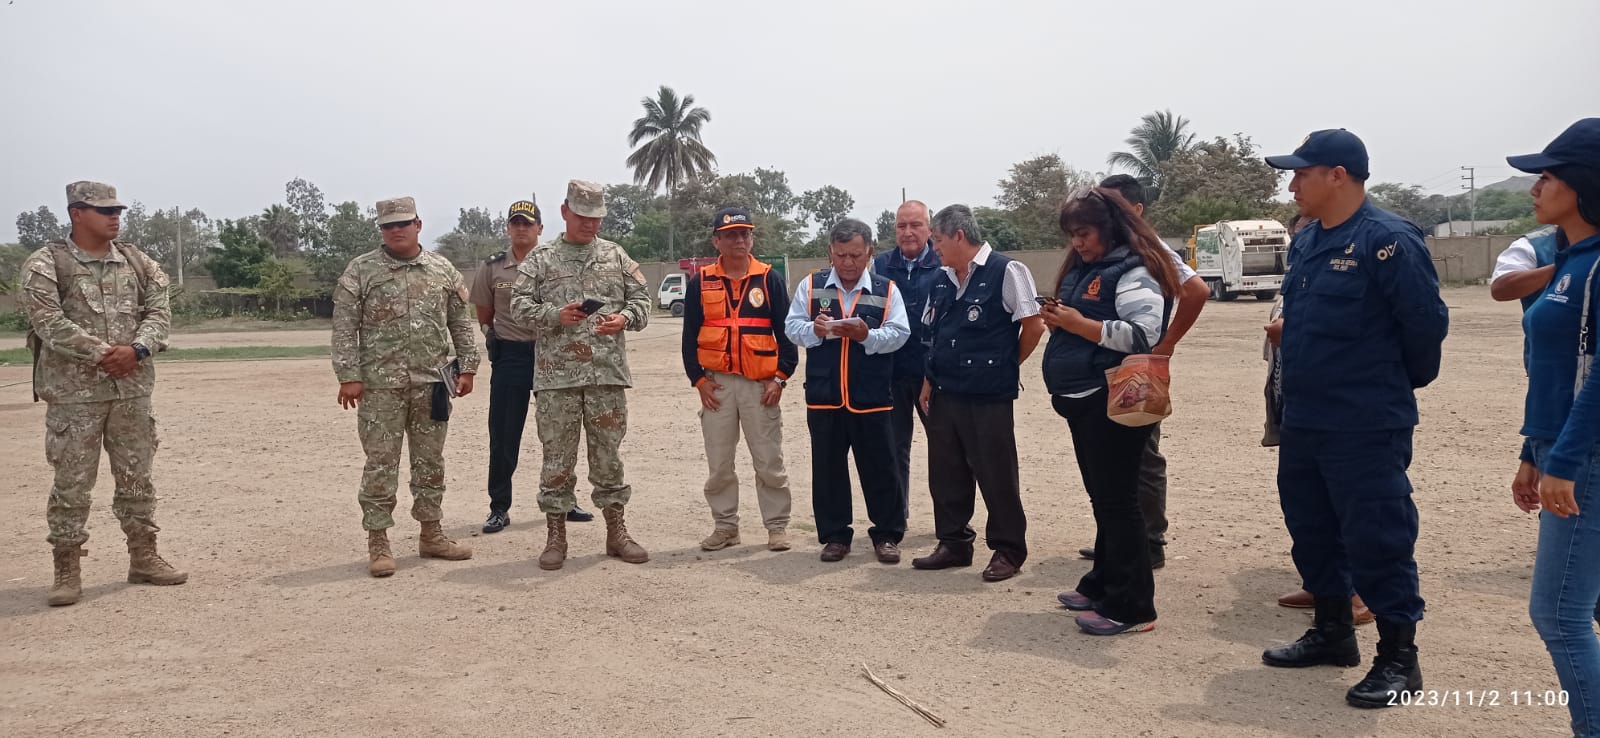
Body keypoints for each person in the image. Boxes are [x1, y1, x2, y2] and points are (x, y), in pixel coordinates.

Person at [1258, 129, 1449, 709]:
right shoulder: (1312, 239)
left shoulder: (1387, 240)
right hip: (1307, 417)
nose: (1292, 183)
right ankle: (1334, 632)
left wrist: (1383, 387)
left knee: (1377, 536)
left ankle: (1398, 658)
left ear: (1338, 175)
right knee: (1312, 527)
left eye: (1301, 172)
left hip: (1364, 421)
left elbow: (1425, 329)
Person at [20, 181, 186, 606]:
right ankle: (67, 569)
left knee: (137, 479)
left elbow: (159, 310)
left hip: (131, 391)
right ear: (77, 213)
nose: (115, 217)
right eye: (104, 210)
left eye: (118, 210)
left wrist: (138, 350)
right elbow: (47, 322)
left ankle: (144, 557)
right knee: (72, 484)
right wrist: (103, 354)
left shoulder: (137, 261)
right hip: (75, 397)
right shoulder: (46, 263)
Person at [1042, 187, 1180, 635]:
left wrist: (1076, 324)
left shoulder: (1135, 269)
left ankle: (1133, 606)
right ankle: (1103, 582)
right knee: (1105, 499)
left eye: (1084, 233)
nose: (1078, 243)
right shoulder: (1091, 268)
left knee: (1119, 502)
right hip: (1084, 401)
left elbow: (1143, 333)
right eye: (1072, 236)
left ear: (1110, 228)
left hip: (1111, 403)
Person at [1503, 118, 1600, 738]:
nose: (1535, 187)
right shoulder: (1568, 259)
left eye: (1547, 175)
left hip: (1583, 456)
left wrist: (1563, 459)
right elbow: (1554, 369)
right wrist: (1532, 450)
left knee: (1559, 613)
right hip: (1560, 448)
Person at [508, 180, 651, 570]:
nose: (591, 224)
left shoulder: (615, 255)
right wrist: (555, 315)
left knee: (609, 456)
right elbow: (518, 306)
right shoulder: (541, 258)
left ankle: (616, 531)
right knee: (557, 459)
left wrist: (625, 317)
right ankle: (556, 535)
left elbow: (643, 300)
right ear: (565, 212)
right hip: (558, 379)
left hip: (606, 376)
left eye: (597, 218)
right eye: (584, 217)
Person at [333, 196, 479, 578]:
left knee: (430, 463)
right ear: (381, 230)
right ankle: (379, 541)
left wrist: (468, 368)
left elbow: (461, 323)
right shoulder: (361, 271)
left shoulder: (441, 269)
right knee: (381, 463)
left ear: (418, 224)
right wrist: (349, 375)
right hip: (381, 387)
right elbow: (345, 328)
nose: (396, 230)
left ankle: (431, 534)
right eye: (388, 226)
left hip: (432, 382)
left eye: (403, 223)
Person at [1075, 174, 1210, 570]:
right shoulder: (1109, 252)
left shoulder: (1151, 251)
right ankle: (1117, 536)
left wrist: (1166, 344)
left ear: (1134, 211)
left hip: (1135, 365)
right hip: (1104, 367)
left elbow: (1197, 290)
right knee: (1110, 459)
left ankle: (1149, 542)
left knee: (1143, 453)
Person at [910, 204, 1045, 582]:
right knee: (946, 471)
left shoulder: (1008, 271)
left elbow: (1033, 327)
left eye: (936, 240)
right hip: (945, 392)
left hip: (988, 396)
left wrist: (1007, 366)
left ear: (958, 236)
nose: (932, 248)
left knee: (995, 472)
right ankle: (953, 543)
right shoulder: (942, 278)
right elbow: (933, 336)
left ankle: (1007, 550)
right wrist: (926, 381)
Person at [786, 219, 910, 563]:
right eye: (841, 255)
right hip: (825, 396)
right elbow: (792, 327)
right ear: (830, 252)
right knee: (827, 469)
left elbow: (900, 333)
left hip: (871, 398)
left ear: (869, 252)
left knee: (881, 467)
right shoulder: (811, 286)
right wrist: (816, 329)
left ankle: (887, 535)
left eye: (856, 255)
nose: (848, 262)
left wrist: (866, 336)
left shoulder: (887, 290)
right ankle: (835, 536)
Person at [1271, 214, 1375, 627]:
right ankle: (1322, 584)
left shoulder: (1378, 243)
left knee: (1353, 505)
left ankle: (1361, 594)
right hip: (1299, 396)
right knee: (1306, 505)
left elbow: (1420, 331)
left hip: (1350, 407)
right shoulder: (1303, 258)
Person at [470, 199, 593, 534]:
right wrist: (492, 337)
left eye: (528, 223)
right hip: (511, 356)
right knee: (504, 433)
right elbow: (484, 312)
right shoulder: (493, 267)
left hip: (552, 354)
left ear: (540, 228)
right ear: (509, 228)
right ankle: (499, 507)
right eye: (516, 223)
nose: (521, 228)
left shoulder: (556, 261)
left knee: (560, 433)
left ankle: (564, 500)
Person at [683, 207, 798, 553]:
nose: (739, 240)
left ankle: (776, 527)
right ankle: (725, 526)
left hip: (759, 386)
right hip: (717, 385)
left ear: (752, 238)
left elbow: (787, 334)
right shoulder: (700, 282)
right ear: (716, 239)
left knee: (768, 461)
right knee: (719, 463)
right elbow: (690, 338)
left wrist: (780, 378)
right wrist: (699, 382)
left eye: (745, 233)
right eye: (730, 234)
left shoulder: (769, 279)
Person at [873, 200, 942, 519]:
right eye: (901, 226)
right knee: (892, 448)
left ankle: (949, 521)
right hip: (892, 372)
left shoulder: (945, 262)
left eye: (915, 225)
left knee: (945, 450)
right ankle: (894, 519)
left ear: (929, 228)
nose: (908, 232)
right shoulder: (880, 266)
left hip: (936, 375)